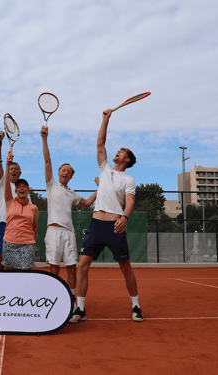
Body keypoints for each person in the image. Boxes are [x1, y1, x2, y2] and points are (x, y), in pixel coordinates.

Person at [70, 109, 144, 324]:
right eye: (118, 149)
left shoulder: (128, 180)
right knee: (82, 265)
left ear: (127, 159)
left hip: (115, 227)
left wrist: (125, 218)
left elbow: (129, 202)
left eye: (122, 151)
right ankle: (80, 309)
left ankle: (136, 306)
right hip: (95, 225)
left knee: (126, 268)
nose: (118, 151)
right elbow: (100, 144)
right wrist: (105, 119)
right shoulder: (105, 170)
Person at [40, 125, 97, 299]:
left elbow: (87, 203)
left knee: (72, 267)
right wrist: (44, 138)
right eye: (63, 170)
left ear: (71, 176)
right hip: (53, 231)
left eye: (69, 172)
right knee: (54, 268)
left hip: (69, 233)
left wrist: (100, 190)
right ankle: (52, 298)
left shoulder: (71, 192)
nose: (66, 172)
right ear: (58, 173)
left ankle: (71, 299)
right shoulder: (51, 185)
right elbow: (47, 160)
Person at [0, 131, 31, 269]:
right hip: (4, 223)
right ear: (8, 171)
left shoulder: (25, 189)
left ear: (20, 173)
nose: (13, 171)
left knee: (16, 261)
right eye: (11, 169)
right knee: (0, 256)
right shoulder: (4, 182)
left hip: (20, 227)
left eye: (16, 169)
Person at [2, 150, 39, 270]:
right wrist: (8, 163)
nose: (21, 188)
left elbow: (35, 227)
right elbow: (6, 182)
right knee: (9, 273)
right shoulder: (9, 201)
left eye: (24, 187)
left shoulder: (34, 208)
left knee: (25, 274)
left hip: (28, 244)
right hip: (10, 242)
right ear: (16, 191)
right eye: (19, 187)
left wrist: (35, 244)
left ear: (28, 190)